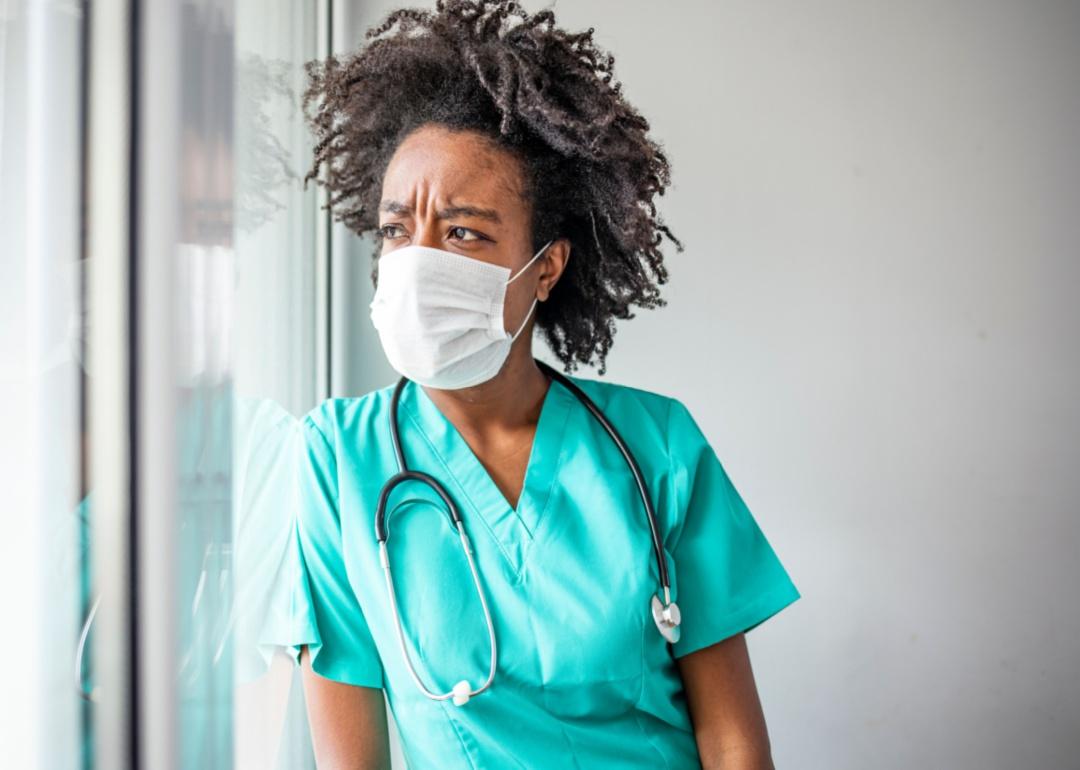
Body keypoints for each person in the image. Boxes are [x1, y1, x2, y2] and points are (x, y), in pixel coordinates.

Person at [288, 1, 801, 767]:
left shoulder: (656, 446)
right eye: (398, 230)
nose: (416, 262)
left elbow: (730, 741)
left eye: (462, 232)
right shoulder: (336, 460)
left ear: (547, 268)